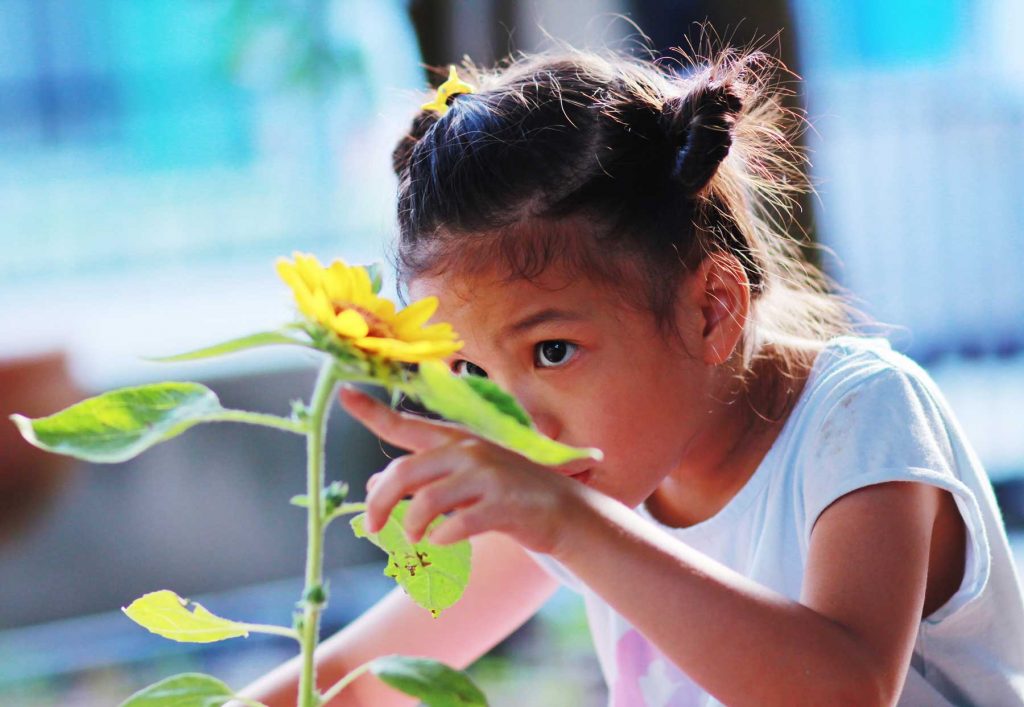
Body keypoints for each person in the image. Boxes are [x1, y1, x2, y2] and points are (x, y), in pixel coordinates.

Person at [239, 44, 1024, 706]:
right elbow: (356, 679)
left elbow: (844, 691)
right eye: (467, 370)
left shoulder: (861, 417)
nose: (517, 422)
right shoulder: (588, 476)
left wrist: (568, 522)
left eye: (551, 351)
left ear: (712, 309)